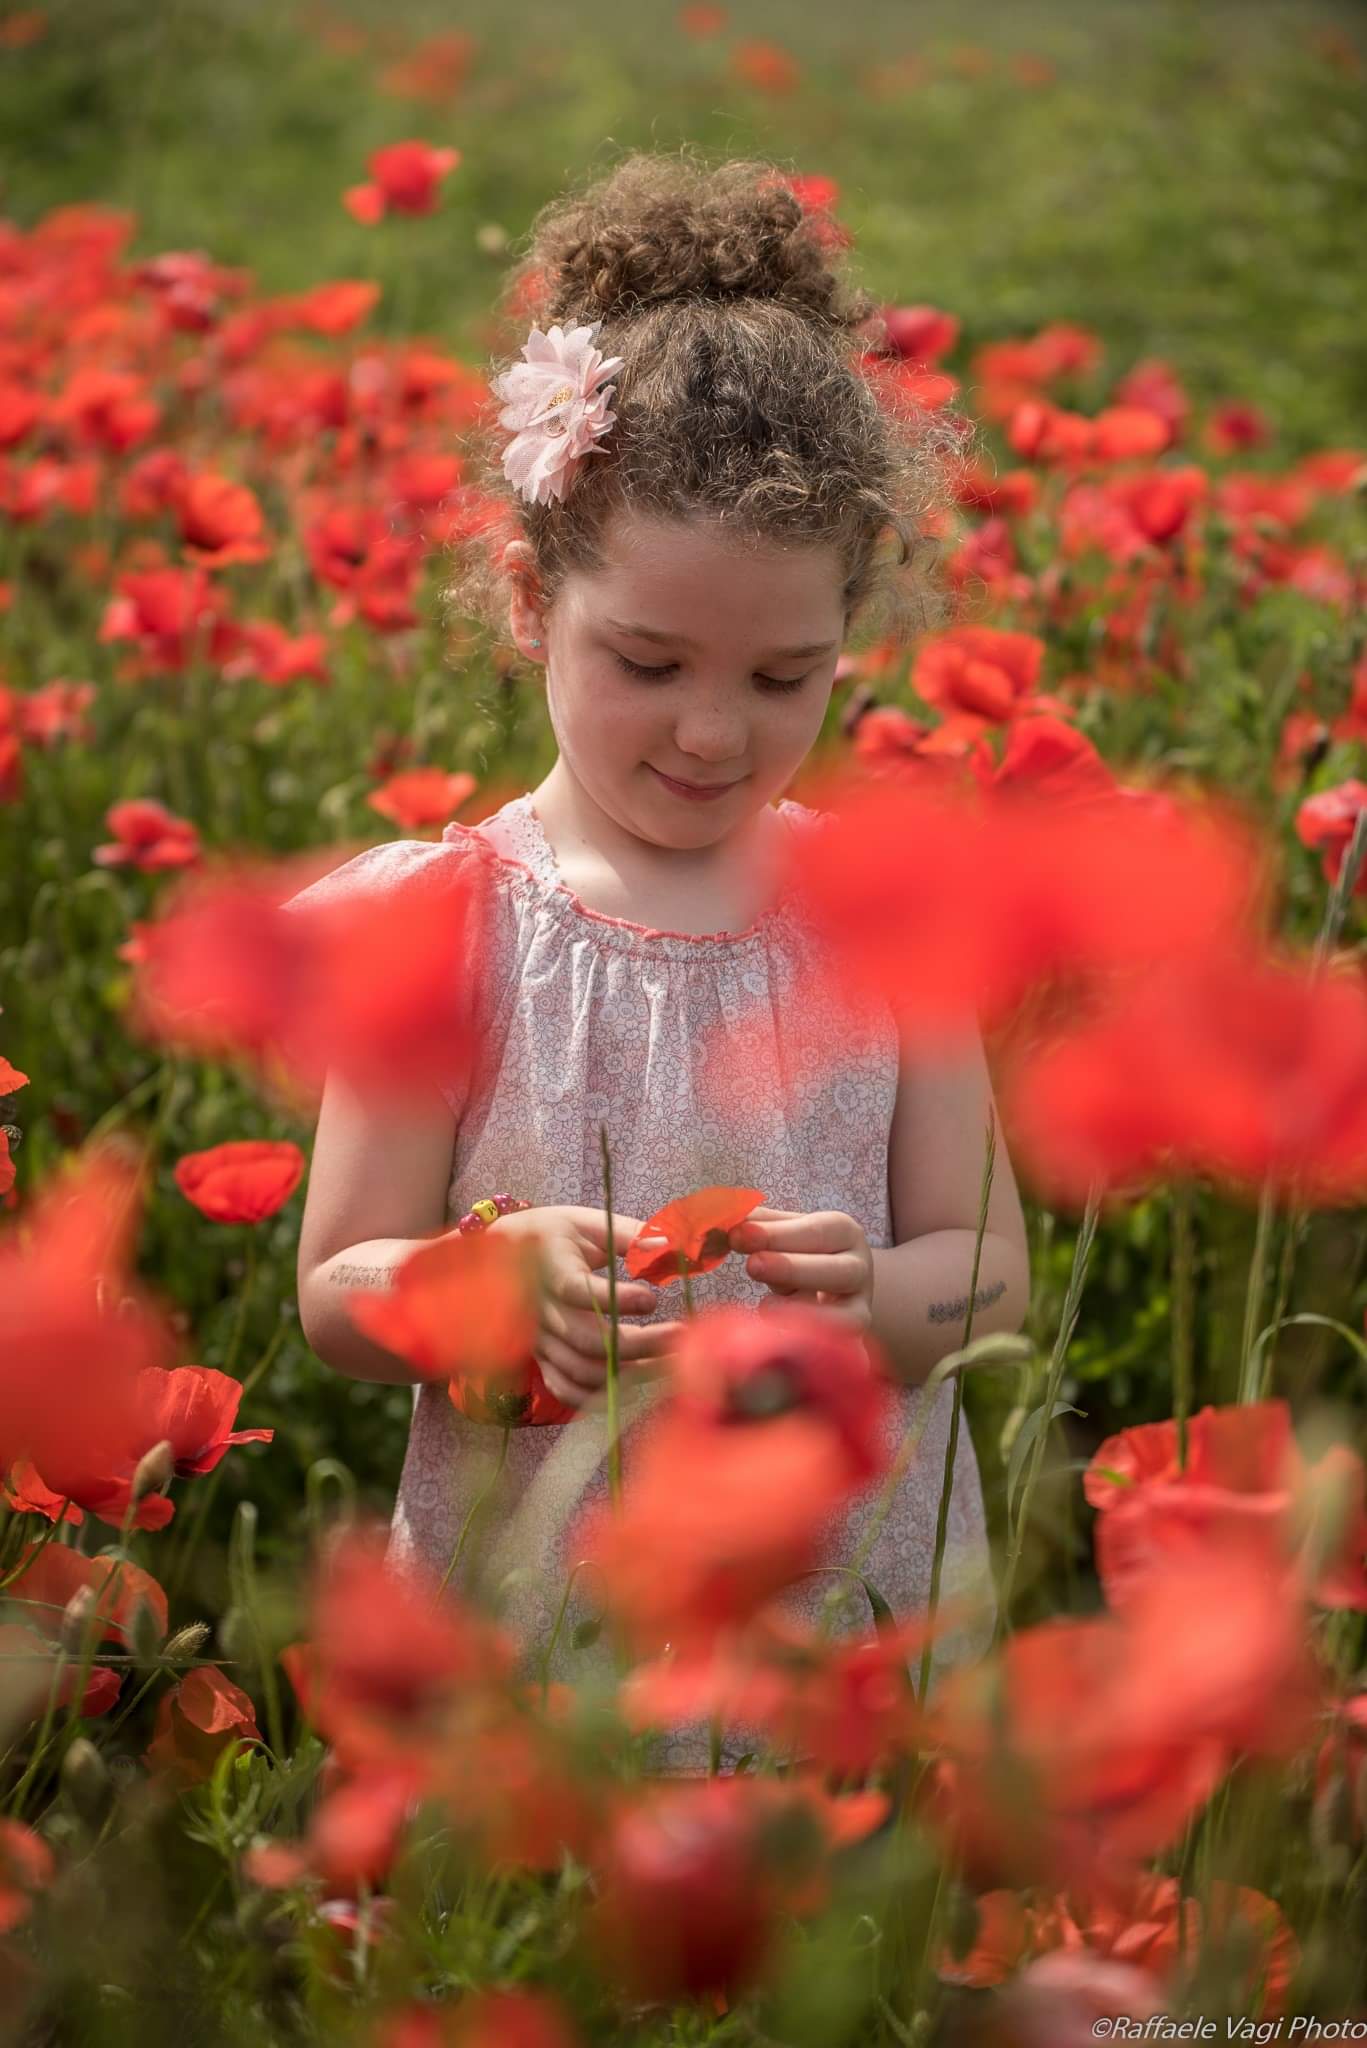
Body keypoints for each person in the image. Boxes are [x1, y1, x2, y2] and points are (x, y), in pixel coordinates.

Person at [288, 151, 1031, 1771]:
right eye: (647, 661)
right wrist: (474, 1289)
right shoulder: (450, 922)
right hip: (542, 1624)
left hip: (839, 1606)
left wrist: (858, 1326)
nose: (714, 730)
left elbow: (988, 1273)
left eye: (786, 676)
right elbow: (336, 1287)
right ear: (528, 597)